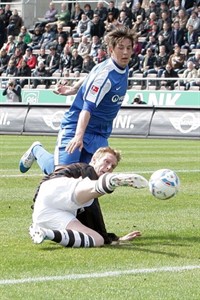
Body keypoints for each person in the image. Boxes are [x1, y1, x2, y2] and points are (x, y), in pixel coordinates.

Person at [19, 27, 135, 175]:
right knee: (63, 175)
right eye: (121, 48)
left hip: (99, 133)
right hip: (77, 126)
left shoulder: (122, 67)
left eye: (129, 48)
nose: (125, 52)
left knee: (91, 177)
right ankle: (36, 150)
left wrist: (74, 88)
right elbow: (87, 108)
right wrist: (78, 136)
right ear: (111, 49)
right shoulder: (105, 75)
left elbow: (90, 76)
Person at [29, 146, 148, 247]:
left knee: (97, 239)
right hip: (54, 190)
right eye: (106, 162)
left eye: (112, 166)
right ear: (94, 159)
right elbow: (93, 212)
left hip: (45, 214)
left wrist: (113, 239)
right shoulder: (86, 169)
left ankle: (46, 233)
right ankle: (109, 182)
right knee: (88, 195)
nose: (109, 168)